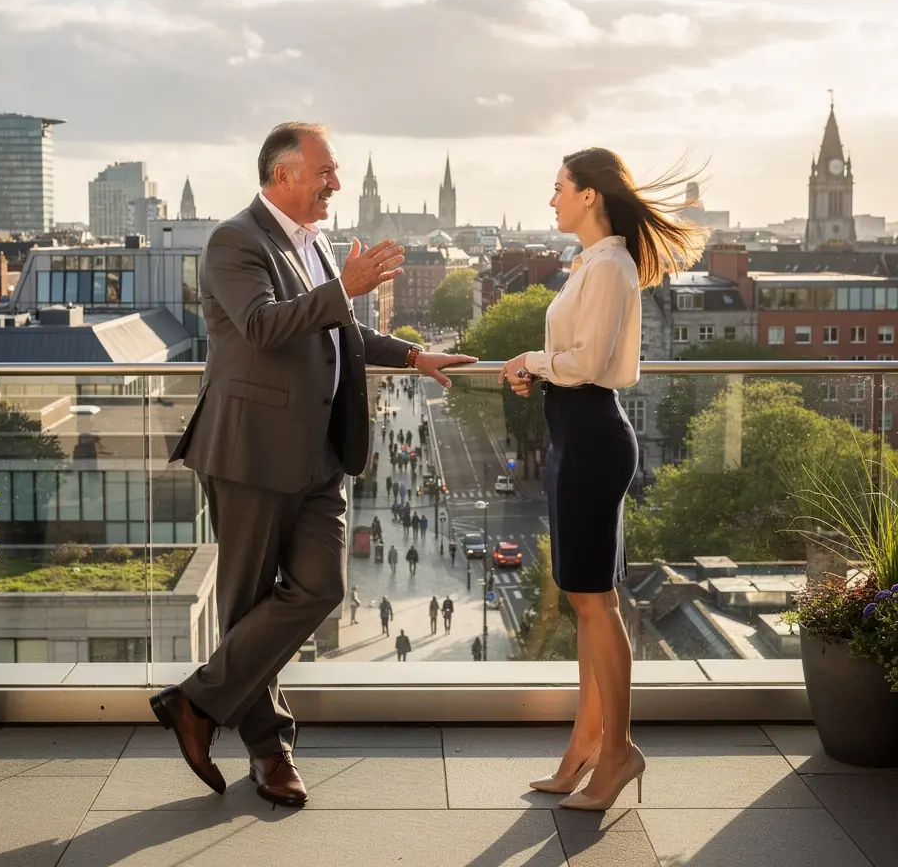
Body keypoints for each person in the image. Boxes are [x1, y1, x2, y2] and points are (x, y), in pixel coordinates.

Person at [154, 122, 476, 810]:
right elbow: (265, 325)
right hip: (251, 452)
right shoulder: (234, 241)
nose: (337, 182)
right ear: (284, 174)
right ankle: (271, 752)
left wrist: (416, 356)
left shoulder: (315, 242)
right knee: (245, 606)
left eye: (337, 173)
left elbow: (341, 332)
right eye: (327, 171)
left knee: (321, 588)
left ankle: (196, 703)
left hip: (319, 453)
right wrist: (349, 285)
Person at [499, 147, 705, 811]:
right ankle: (586, 745)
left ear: (590, 195)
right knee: (590, 601)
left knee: (596, 603)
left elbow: (585, 361)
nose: (551, 199)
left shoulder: (610, 266)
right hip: (575, 436)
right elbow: (578, 358)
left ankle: (617, 752)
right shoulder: (593, 264)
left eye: (558, 187)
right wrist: (544, 367)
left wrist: (532, 357)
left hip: (591, 439)